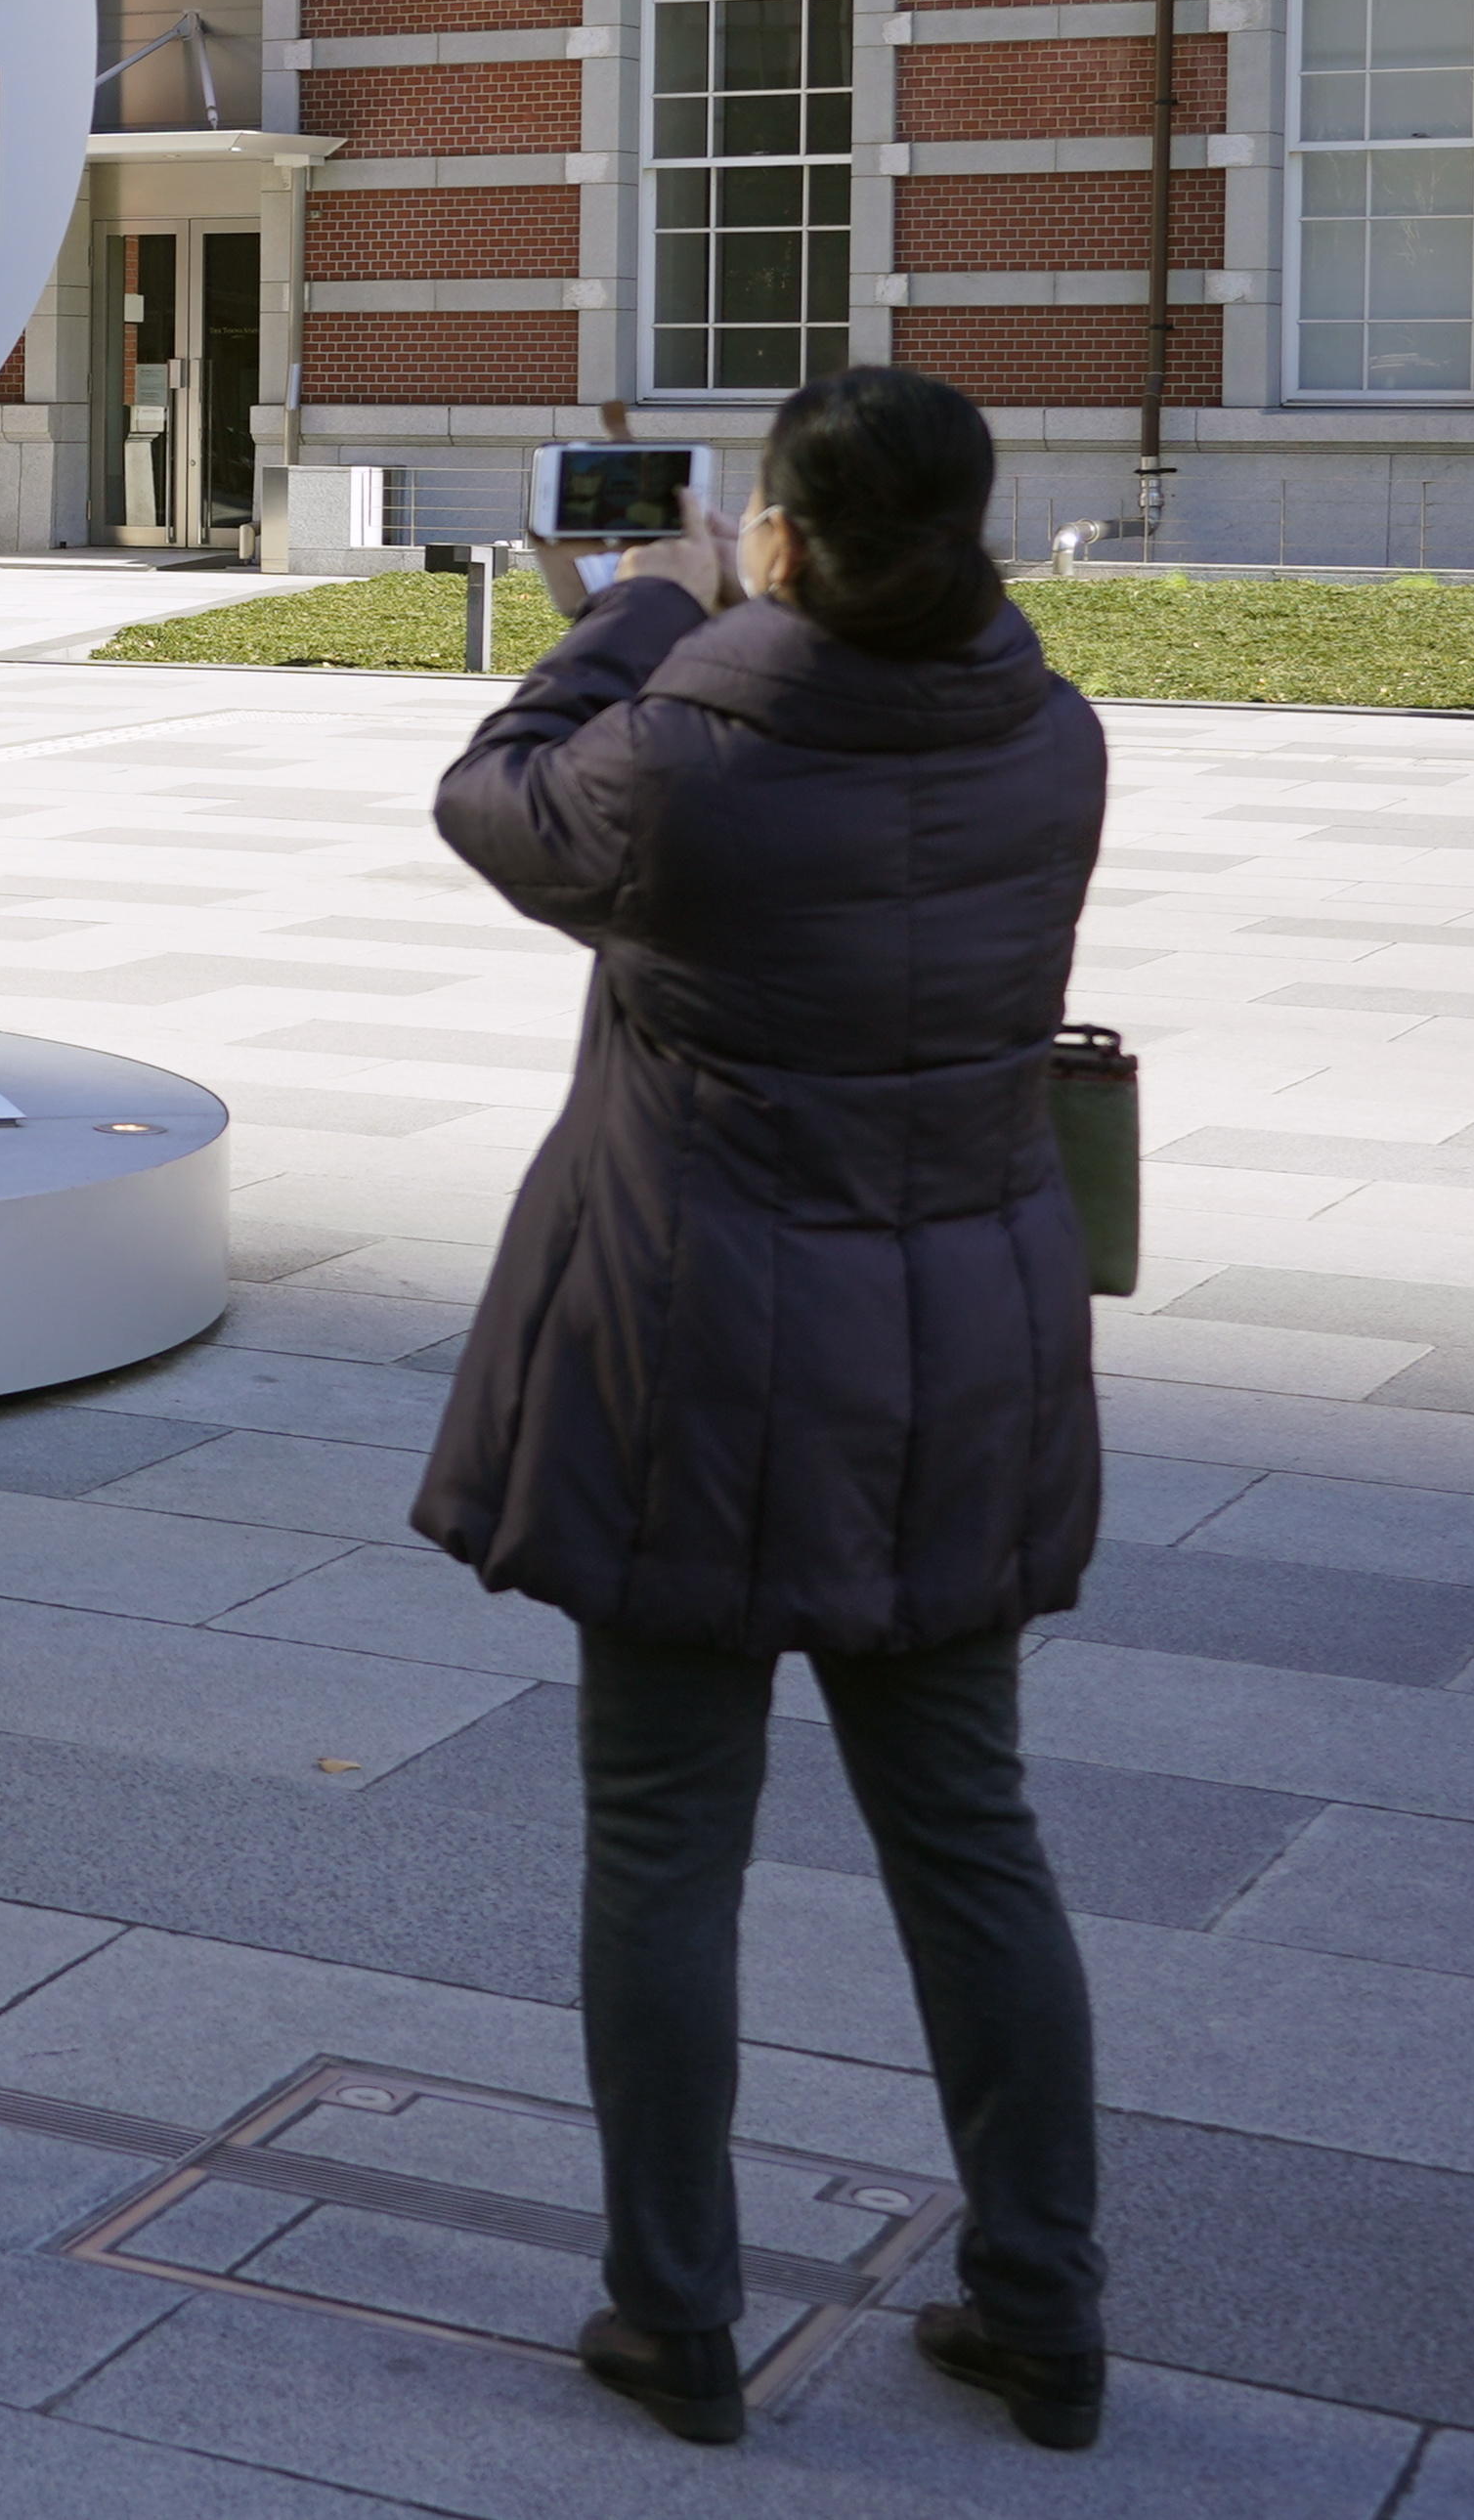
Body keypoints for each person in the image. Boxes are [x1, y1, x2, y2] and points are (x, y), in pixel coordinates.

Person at [409, 365, 1114, 2455]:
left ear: (780, 537)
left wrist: (634, 601)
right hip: (962, 1338)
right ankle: (1045, 2307)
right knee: (972, 1833)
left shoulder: (686, 754)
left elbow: (489, 793)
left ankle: (677, 2316)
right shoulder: (1056, 736)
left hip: (695, 1341)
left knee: (663, 1839)